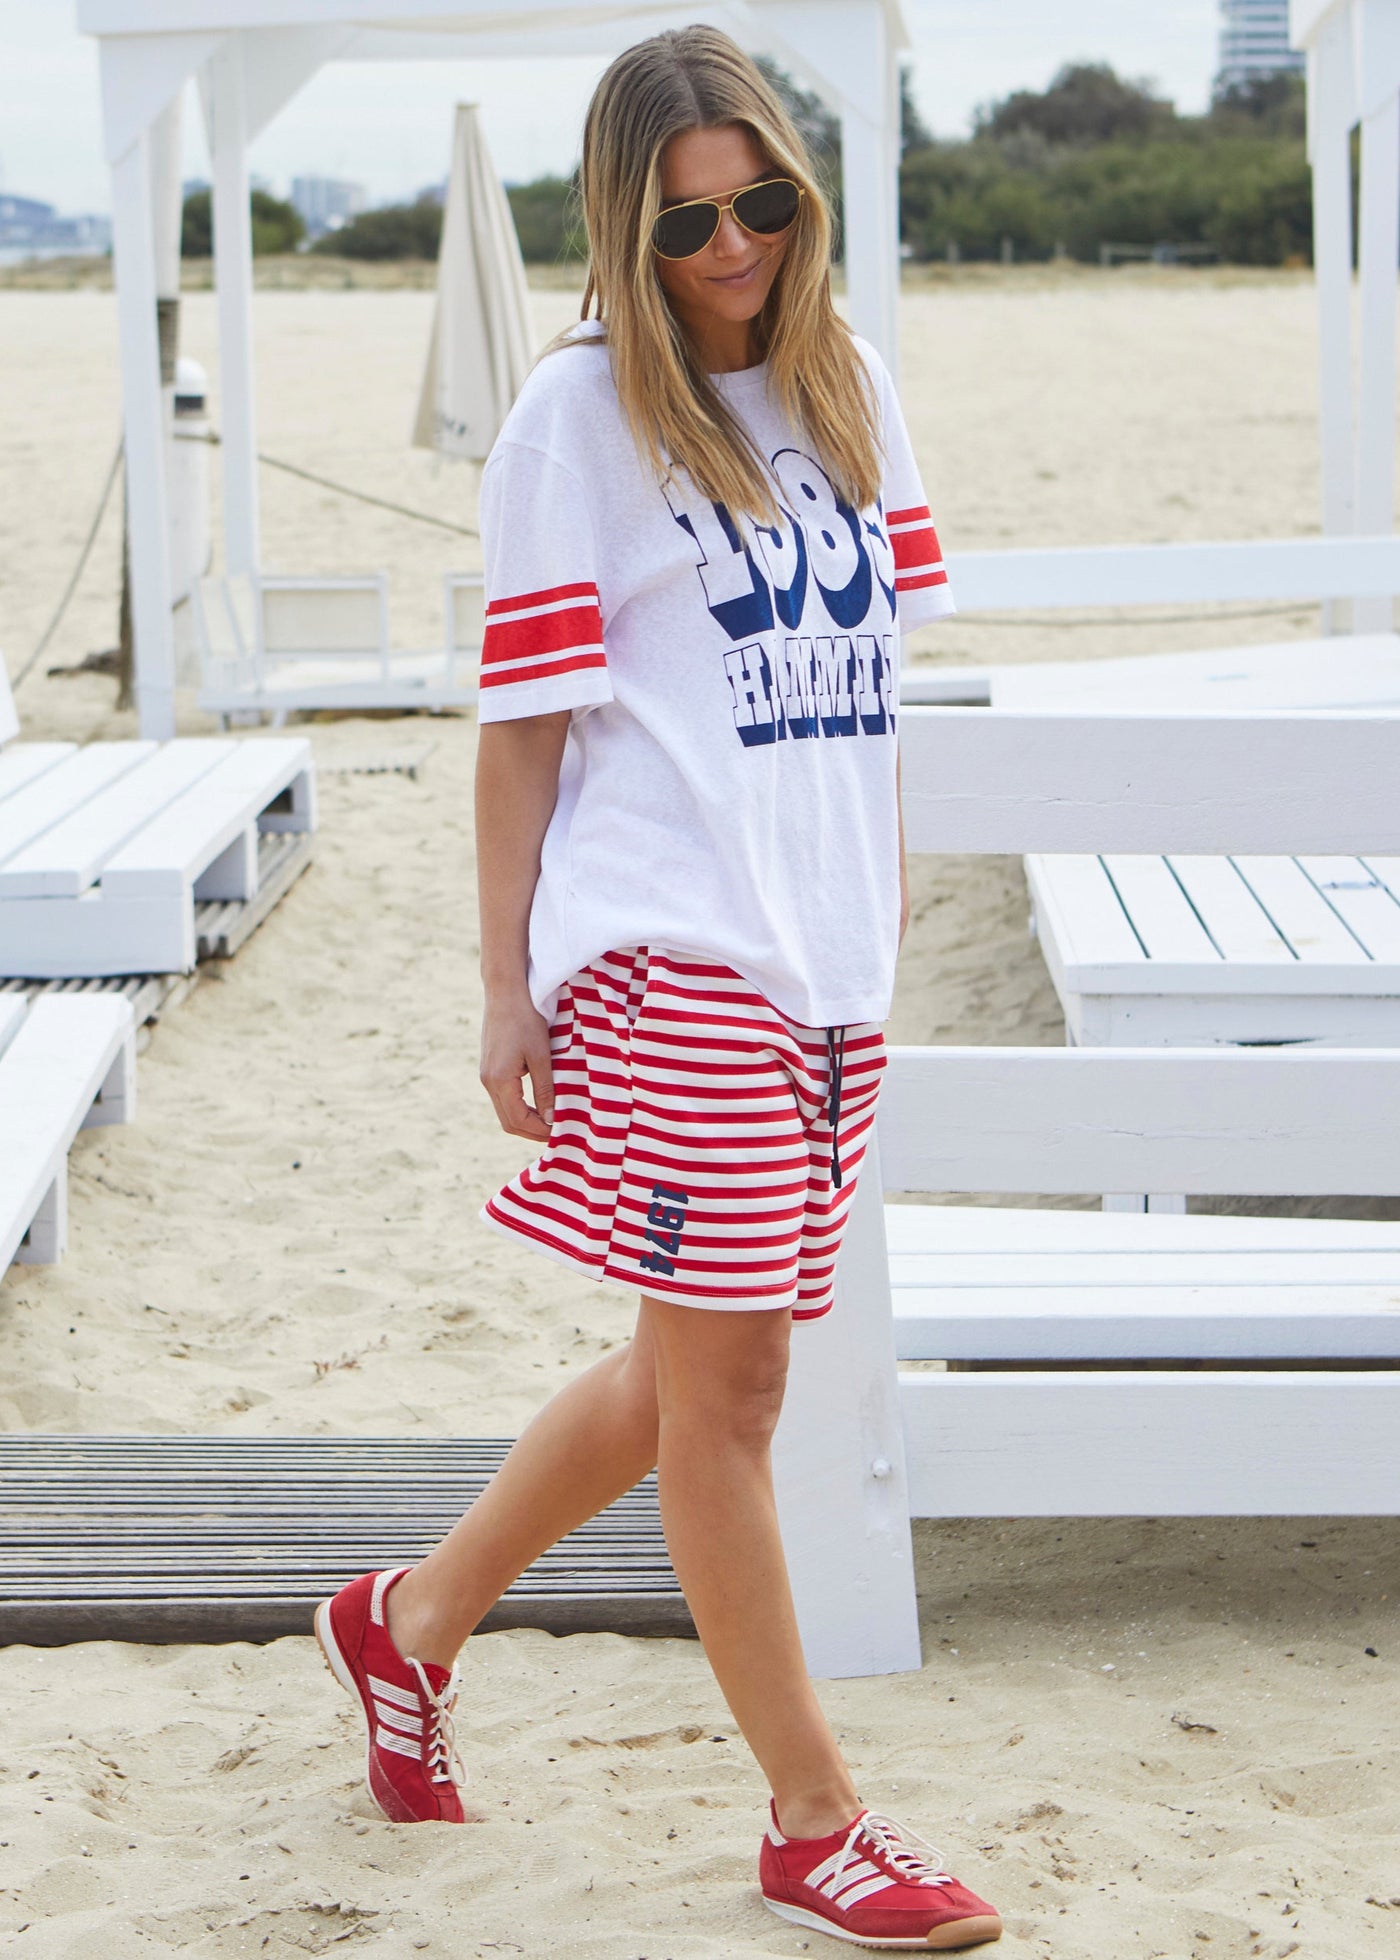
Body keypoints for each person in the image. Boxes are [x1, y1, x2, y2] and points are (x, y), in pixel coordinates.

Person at [315, 24, 1002, 1951]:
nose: (729, 245)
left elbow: (860, 710)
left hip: (820, 962)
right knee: (738, 1387)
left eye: (760, 201)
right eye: (686, 216)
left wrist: (857, 945)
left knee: (679, 1367)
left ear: (800, 192)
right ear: (626, 222)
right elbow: (523, 739)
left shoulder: (849, 383)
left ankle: (409, 1618)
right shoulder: (575, 427)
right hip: (659, 946)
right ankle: (816, 1820)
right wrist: (505, 987)